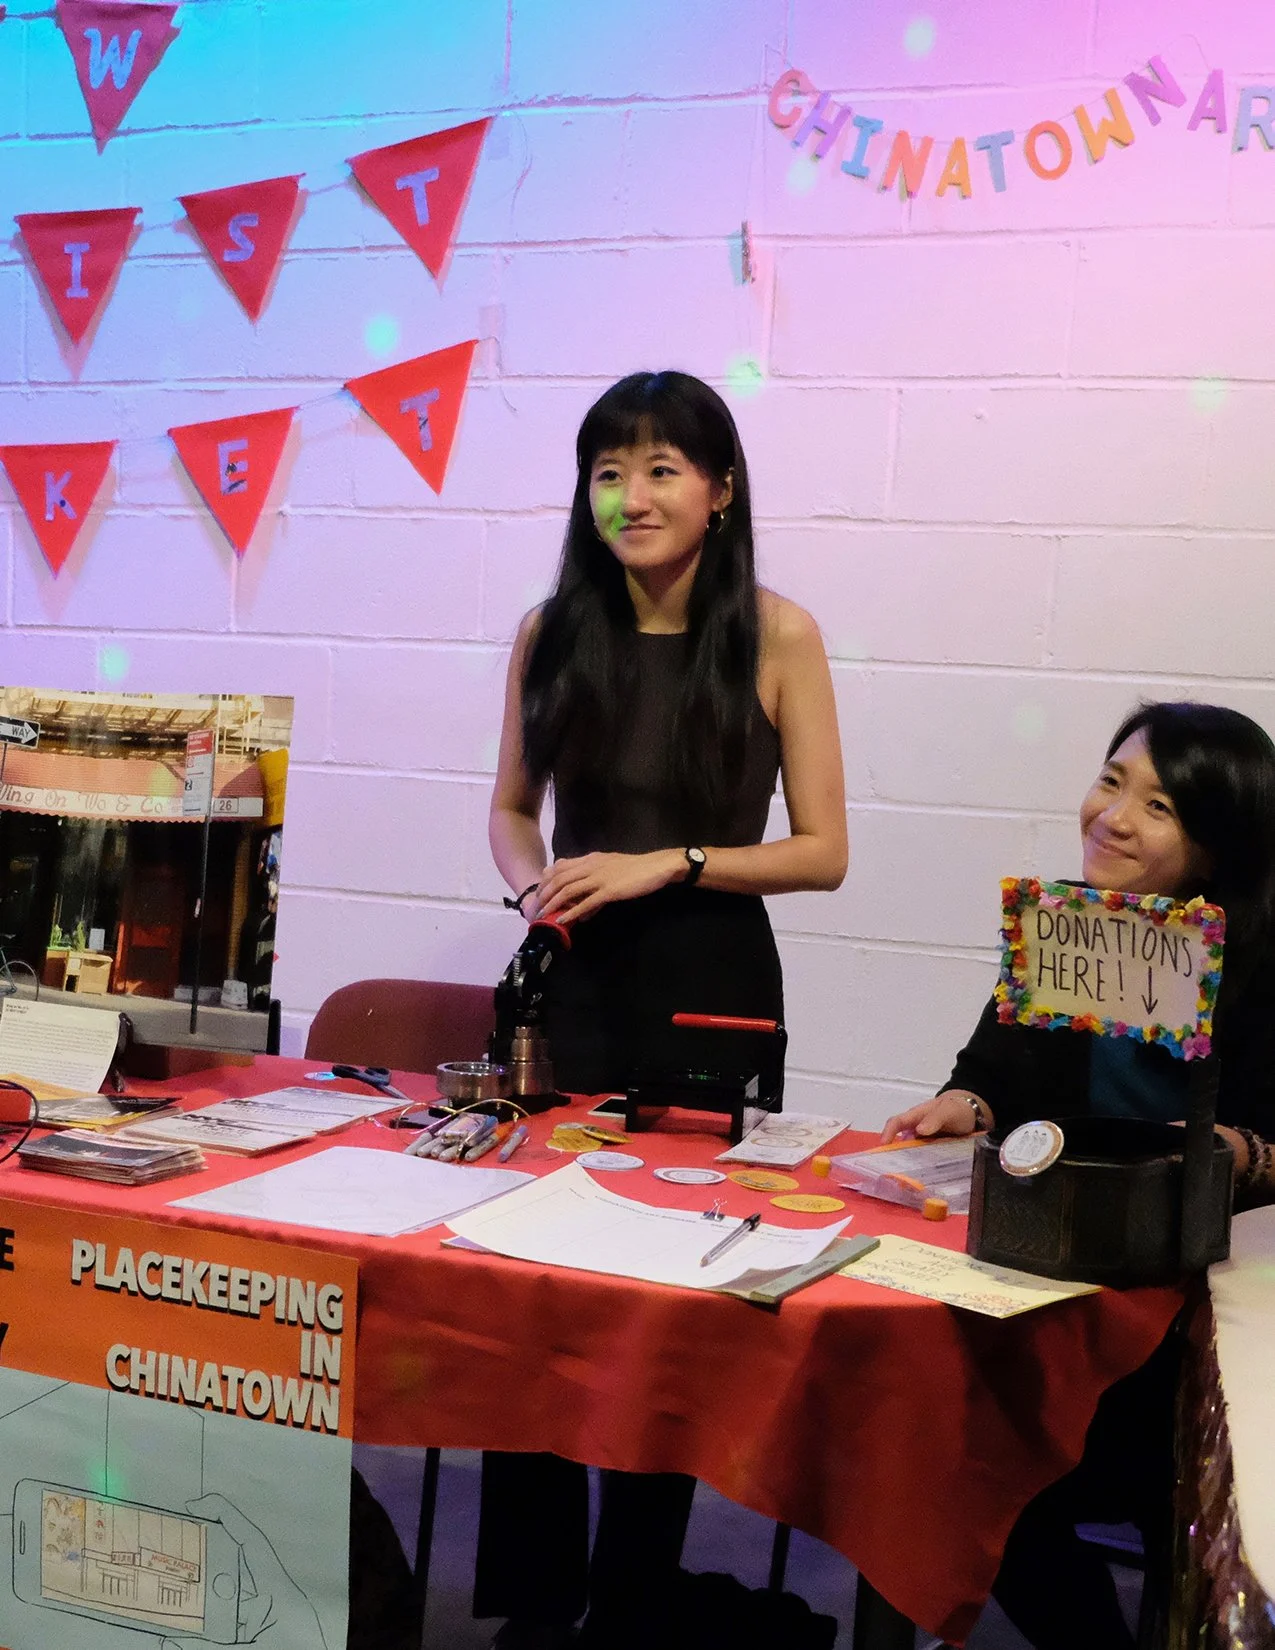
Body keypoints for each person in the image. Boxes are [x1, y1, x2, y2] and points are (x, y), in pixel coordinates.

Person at [483, 370, 847, 1649]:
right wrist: (533, 887)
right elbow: (511, 808)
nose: (631, 498)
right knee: (529, 1277)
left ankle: (632, 1599)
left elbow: (824, 852)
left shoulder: (779, 636)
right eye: (607, 472)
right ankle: (535, 1602)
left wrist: (670, 862)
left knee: (668, 1294)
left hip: (711, 990)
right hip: (571, 979)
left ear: (720, 490)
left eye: (660, 470)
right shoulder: (551, 630)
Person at [882, 699, 1275, 1650]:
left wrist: (1243, 1152)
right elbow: (988, 1078)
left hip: (1196, 1316)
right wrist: (961, 1106)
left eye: (1159, 807)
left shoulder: (1260, 960)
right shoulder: (1059, 926)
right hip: (1056, 1283)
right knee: (950, 1457)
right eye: (1110, 782)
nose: (1114, 817)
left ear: (1216, 847)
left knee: (1066, 1474)